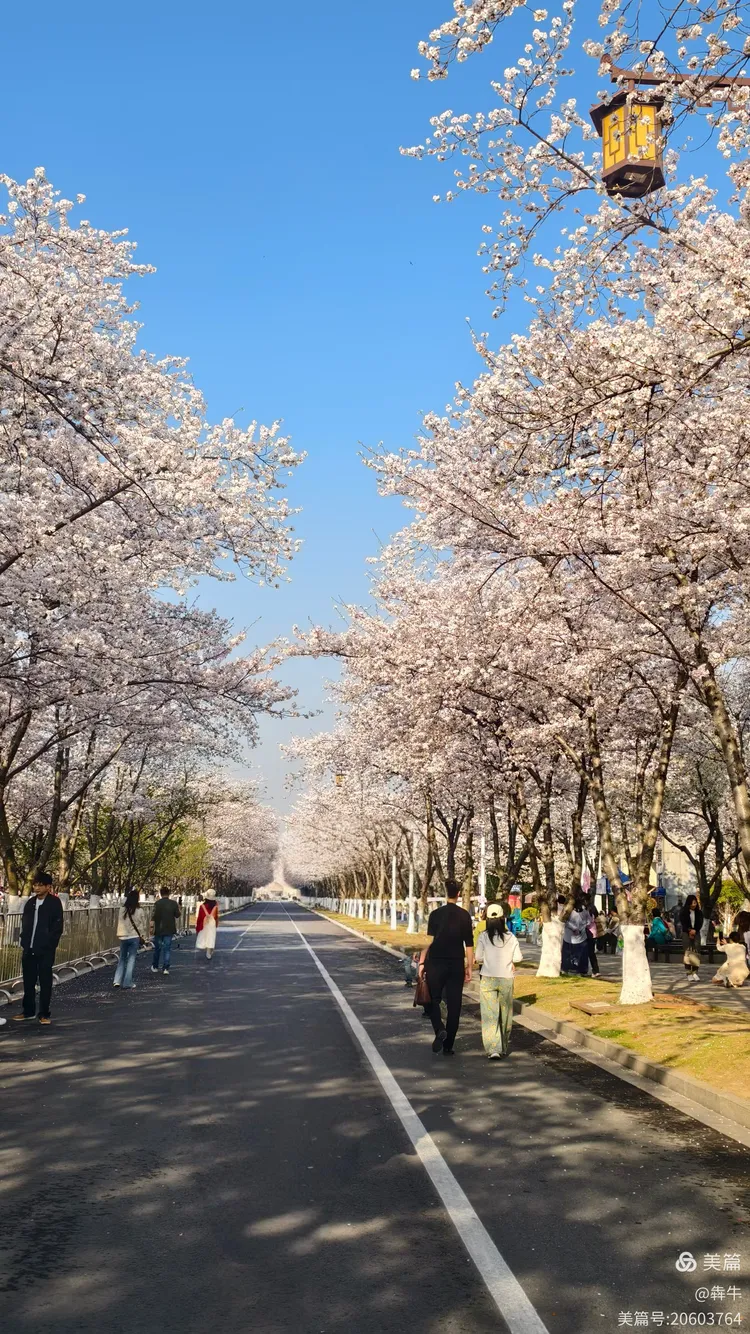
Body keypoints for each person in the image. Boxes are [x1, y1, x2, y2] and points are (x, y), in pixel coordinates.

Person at [420, 879, 473, 1056]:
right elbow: (469, 944)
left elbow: (428, 941)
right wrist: (469, 967)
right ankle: (449, 1045)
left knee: (432, 999)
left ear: (445, 893)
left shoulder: (435, 914)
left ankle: (439, 1028)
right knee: (455, 1005)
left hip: (436, 963)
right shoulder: (465, 915)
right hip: (456, 963)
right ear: (459, 894)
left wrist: (421, 963)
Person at [13, 871, 64, 1026]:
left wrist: (49, 944)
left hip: (45, 950)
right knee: (28, 981)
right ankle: (28, 1011)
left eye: (40, 885)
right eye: (35, 885)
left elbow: (57, 927)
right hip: (29, 948)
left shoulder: (54, 903)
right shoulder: (30, 903)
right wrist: (24, 941)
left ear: (48, 887)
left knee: (45, 982)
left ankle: (44, 1013)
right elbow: (25, 923)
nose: (36, 888)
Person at [475, 903, 523, 1059]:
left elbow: (478, 957)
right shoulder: (511, 937)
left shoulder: (483, 936)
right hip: (506, 978)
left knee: (490, 1014)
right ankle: (503, 1045)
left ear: (487, 919)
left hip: (488, 978)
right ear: (503, 918)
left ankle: (493, 1048)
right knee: (505, 1014)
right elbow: (518, 958)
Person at [114, 889, 148, 989]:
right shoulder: (140, 910)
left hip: (123, 936)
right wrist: (143, 936)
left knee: (122, 959)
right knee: (131, 960)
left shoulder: (122, 909)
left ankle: (117, 980)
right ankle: (127, 982)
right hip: (134, 937)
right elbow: (142, 925)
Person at [151, 887, 181, 975]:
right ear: (169, 893)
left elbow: (153, 916)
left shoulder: (157, 903)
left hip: (159, 929)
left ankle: (155, 966)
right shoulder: (173, 903)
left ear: (160, 893)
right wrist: (179, 909)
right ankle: (165, 968)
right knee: (167, 949)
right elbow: (177, 915)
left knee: (157, 948)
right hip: (169, 929)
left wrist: (151, 927)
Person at [562, 898, 592, 976]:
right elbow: (565, 921)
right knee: (568, 955)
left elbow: (589, 921)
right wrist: (574, 928)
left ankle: (582, 970)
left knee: (582, 955)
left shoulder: (585, 912)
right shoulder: (569, 912)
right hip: (569, 938)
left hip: (582, 937)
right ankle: (566, 969)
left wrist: (582, 927)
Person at [680, 894, 704, 983]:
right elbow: (683, 923)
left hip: (696, 933)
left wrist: (695, 930)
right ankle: (689, 973)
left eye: (695, 903)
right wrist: (689, 930)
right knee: (687, 953)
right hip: (686, 933)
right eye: (692, 903)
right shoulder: (683, 912)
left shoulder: (699, 912)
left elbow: (700, 923)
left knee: (696, 952)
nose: (694, 905)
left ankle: (695, 972)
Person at [196, 888, 219, 960]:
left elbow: (200, 917)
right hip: (212, 923)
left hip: (204, 922)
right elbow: (216, 916)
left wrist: (198, 925)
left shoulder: (202, 906)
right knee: (211, 936)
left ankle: (206, 948)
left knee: (204, 936)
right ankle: (209, 951)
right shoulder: (215, 906)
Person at [585, 901, 600, 976]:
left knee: (587, 953)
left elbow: (587, 924)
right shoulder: (594, 916)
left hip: (588, 934)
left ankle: (587, 970)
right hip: (593, 934)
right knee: (592, 953)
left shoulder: (588, 915)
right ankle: (596, 970)